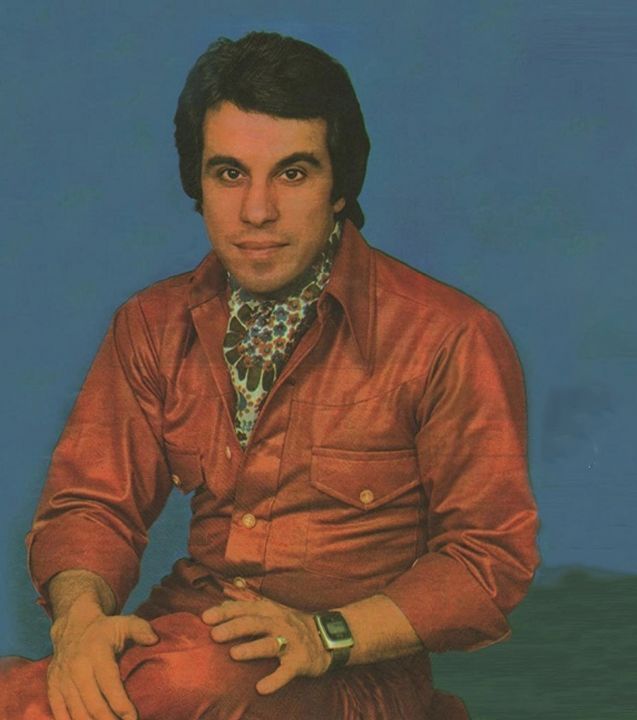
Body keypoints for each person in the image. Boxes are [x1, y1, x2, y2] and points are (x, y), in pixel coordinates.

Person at [0, 31, 540, 720]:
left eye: (293, 173)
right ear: (197, 184)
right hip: (185, 641)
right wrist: (79, 628)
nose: (257, 211)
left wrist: (325, 636)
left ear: (339, 186)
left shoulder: (450, 336)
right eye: (230, 174)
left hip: (352, 672)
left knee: (169, 684)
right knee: (142, 681)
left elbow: (486, 561)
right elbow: (91, 506)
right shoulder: (151, 323)